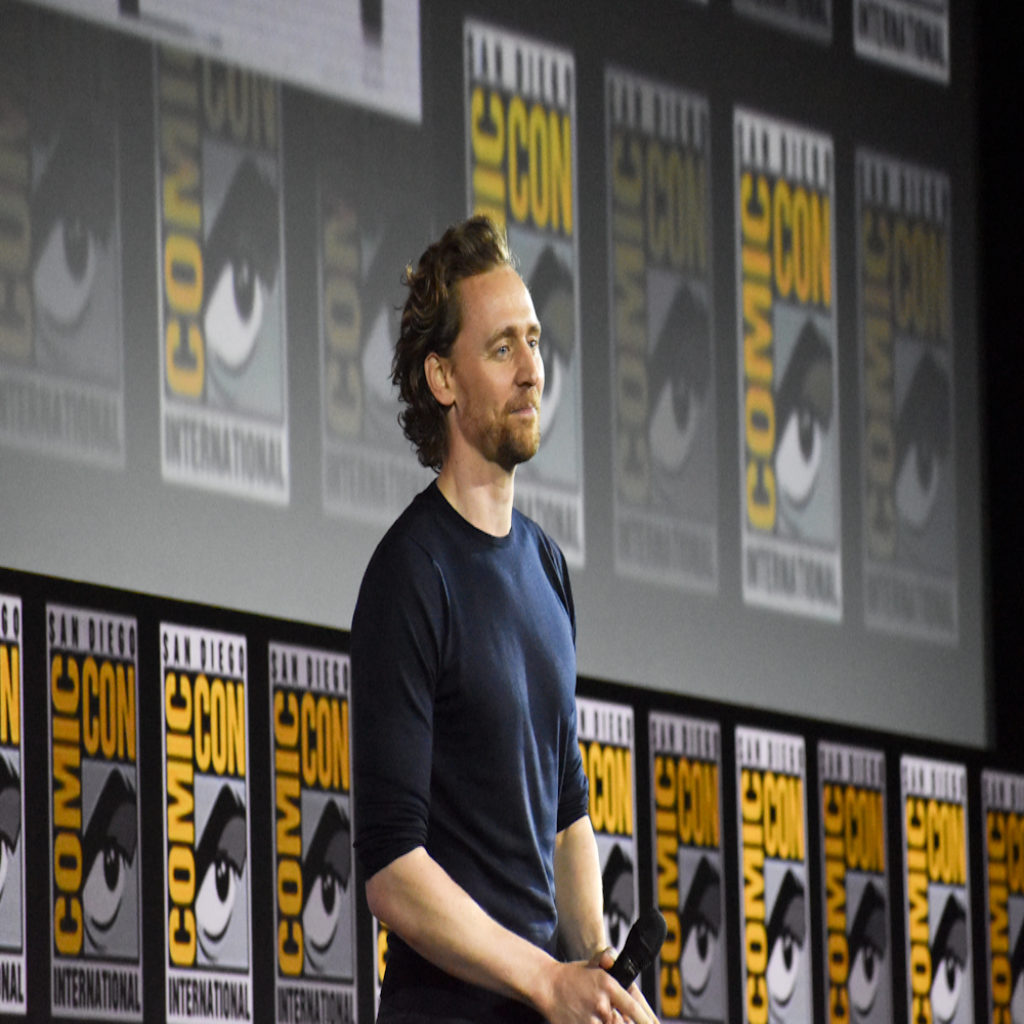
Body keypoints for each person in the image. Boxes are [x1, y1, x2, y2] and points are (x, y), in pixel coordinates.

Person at [350, 215, 658, 1024]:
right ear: (443, 379)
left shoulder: (546, 566)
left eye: (534, 341)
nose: (532, 371)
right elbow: (392, 870)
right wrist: (546, 979)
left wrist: (597, 971)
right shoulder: (410, 575)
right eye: (501, 349)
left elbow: (565, 810)